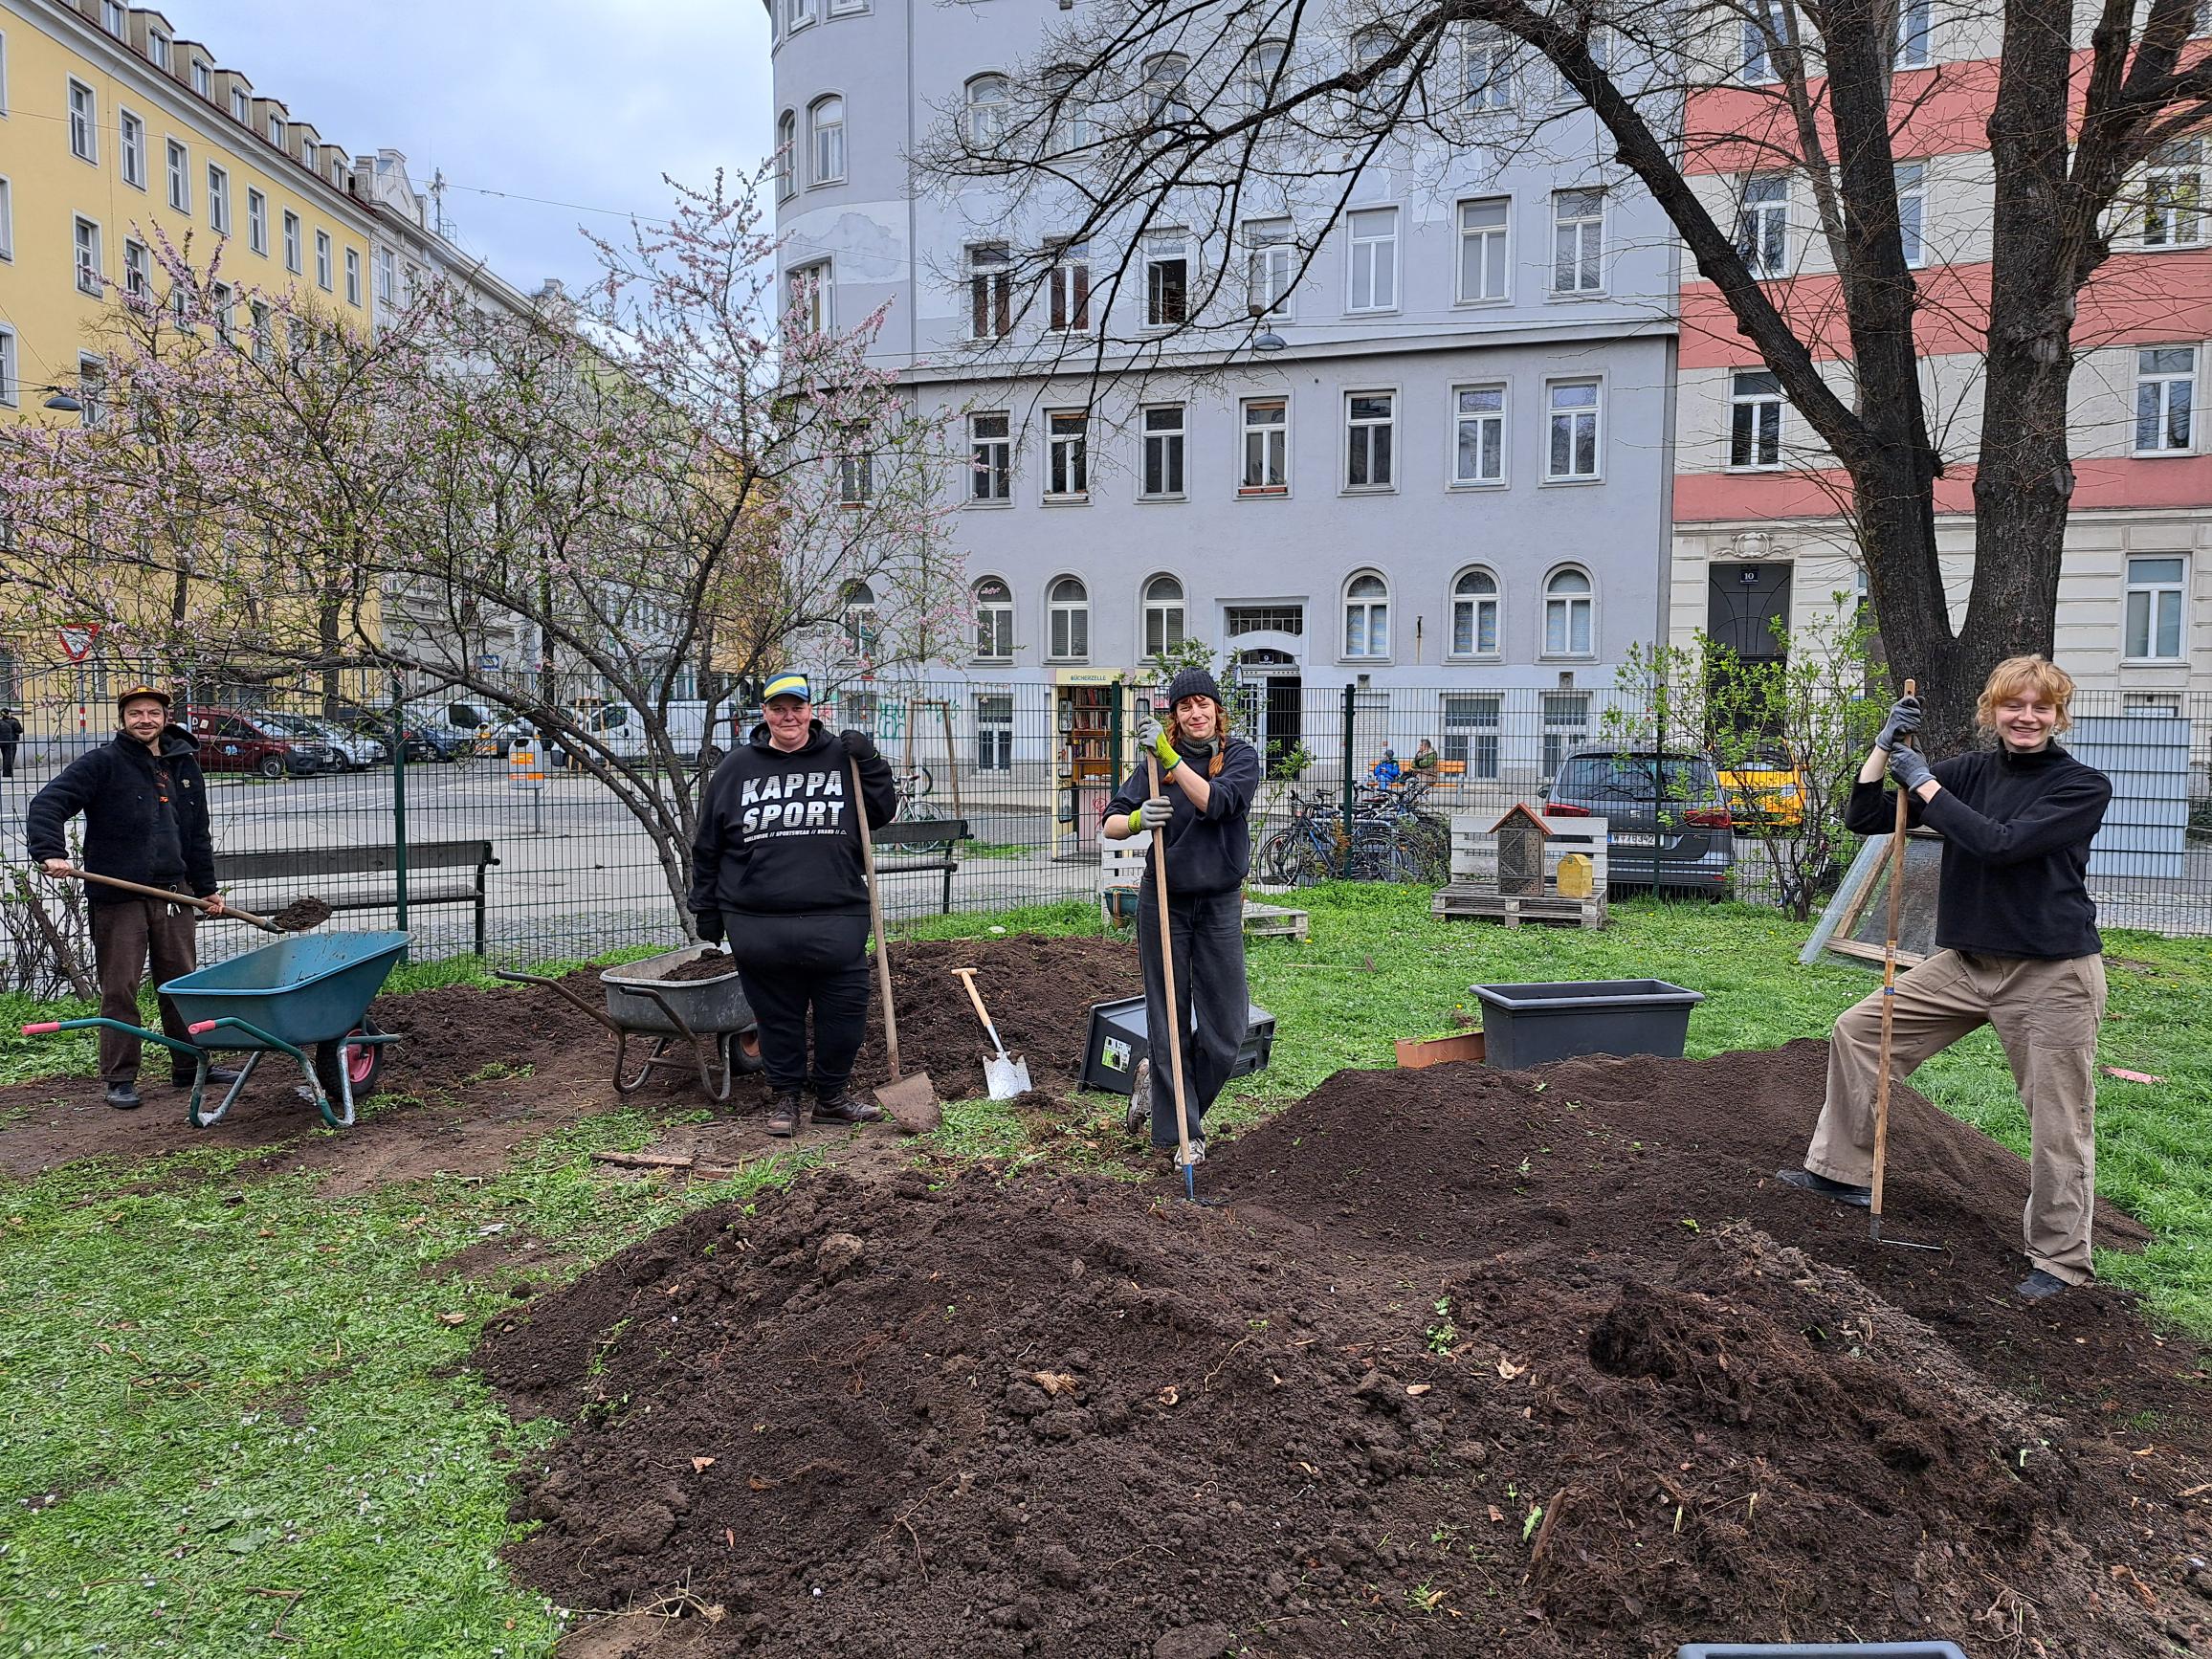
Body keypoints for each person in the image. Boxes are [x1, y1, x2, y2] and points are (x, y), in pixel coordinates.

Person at [1778, 655, 2112, 1301]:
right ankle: (1842, 1171)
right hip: (1965, 964)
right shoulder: (1970, 773)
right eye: (2014, 705)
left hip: (2050, 974)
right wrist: (1883, 748)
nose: (2027, 717)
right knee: (1859, 1031)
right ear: (1993, 711)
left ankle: (2061, 1260)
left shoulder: (2080, 787)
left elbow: (2000, 843)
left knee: (2057, 1121)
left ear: (2058, 715)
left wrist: (1926, 783)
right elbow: (1867, 818)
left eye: (2041, 707)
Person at [689, 673, 896, 1138]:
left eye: (796, 707)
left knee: (843, 1014)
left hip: (837, 912)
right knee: (776, 1017)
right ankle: (785, 1099)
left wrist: (873, 761)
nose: (788, 716)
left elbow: (881, 812)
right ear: (763, 713)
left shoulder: (842, 759)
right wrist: (707, 906)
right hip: (758, 920)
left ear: (812, 710)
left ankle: (832, 1097)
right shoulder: (737, 768)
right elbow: (709, 844)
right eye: (778, 708)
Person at [26, 685, 232, 1111]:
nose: (144, 719)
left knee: (180, 984)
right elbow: (48, 804)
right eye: (135, 712)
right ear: (124, 719)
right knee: (120, 987)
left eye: (152, 712)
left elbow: (197, 834)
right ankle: (120, 1077)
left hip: (175, 893)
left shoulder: (184, 765)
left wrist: (206, 888)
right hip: (119, 895)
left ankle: (189, 1064)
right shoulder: (103, 763)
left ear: (165, 717)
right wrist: (51, 852)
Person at [1102, 667, 1262, 1166]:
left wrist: (1170, 756)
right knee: (1167, 1014)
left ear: (1217, 710)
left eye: (1203, 704)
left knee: (1229, 1027)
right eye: (1184, 706)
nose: (1196, 714)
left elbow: (1218, 803)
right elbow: (1109, 824)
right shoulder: (1153, 766)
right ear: (1174, 714)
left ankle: (1159, 1082)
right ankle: (1185, 1136)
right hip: (1164, 901)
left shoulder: (1238, 756)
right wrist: (1133, 820)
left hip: (1218, 904)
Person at [0, 709, 20, 779]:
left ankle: (6, 772)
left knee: (5, 755)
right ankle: (7, 773)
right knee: (9, 757)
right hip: (11, 741)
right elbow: (19, 730)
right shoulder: (14, 721)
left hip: (2, 741)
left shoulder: (0, 721)